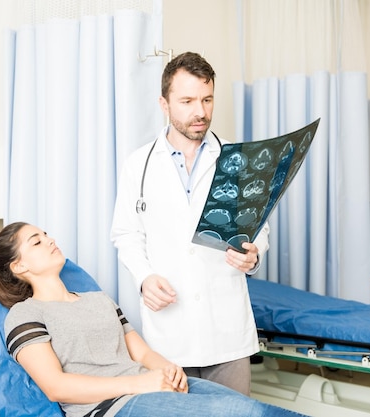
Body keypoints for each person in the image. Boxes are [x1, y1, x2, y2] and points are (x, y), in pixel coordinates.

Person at [0, 222, 303, 417]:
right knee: (242, 414)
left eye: (46, 234)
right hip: (114, 407)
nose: (50, 240)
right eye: (37, 241)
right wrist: (142, 383)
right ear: (19, 267)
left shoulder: (97, 299)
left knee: (253, 409)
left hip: (153, 387)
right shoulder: (26, 314)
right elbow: (55, 387)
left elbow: (140, 353)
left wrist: (167, 369)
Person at [110, 51, 270, 395]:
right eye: (187, 101)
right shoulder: (138, 165)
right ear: (164, 104)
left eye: (207, 99)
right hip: (170, 332)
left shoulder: (236, 158)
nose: (200, 112)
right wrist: (143, 278)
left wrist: (254, 254)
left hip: (227, 331)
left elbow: (258, 227)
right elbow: (126, 233)